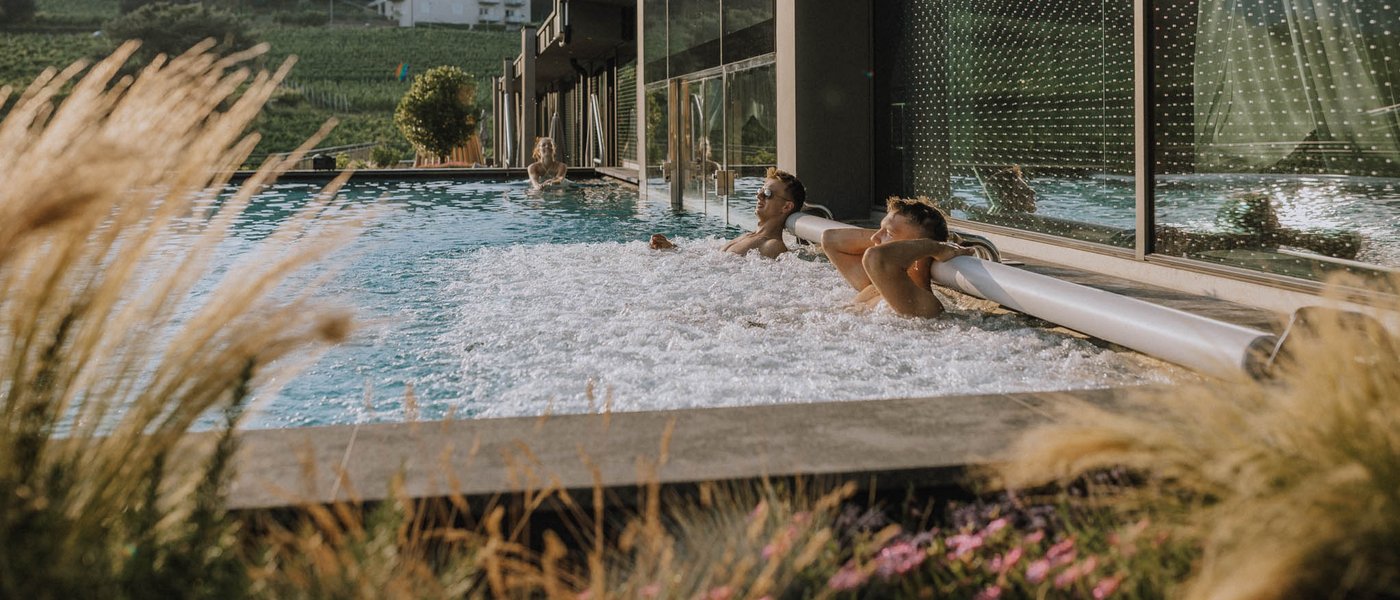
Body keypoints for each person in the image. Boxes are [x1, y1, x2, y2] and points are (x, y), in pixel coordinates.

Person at [822, 198, 975, 318]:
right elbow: (830, 240)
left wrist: (935, 247)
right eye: (879, 229)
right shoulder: (875, 286)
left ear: (917, 251)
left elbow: (876, 257)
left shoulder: (922, 303)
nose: (874, 237)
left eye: (888, 233)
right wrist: (889, 237)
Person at [650, 167, 806, 259]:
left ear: (786, 207)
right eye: (760, 190)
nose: (759, 195)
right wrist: (673, 248)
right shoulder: (749, 236)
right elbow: (711, 259)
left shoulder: (773, 246)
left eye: (768, 193)